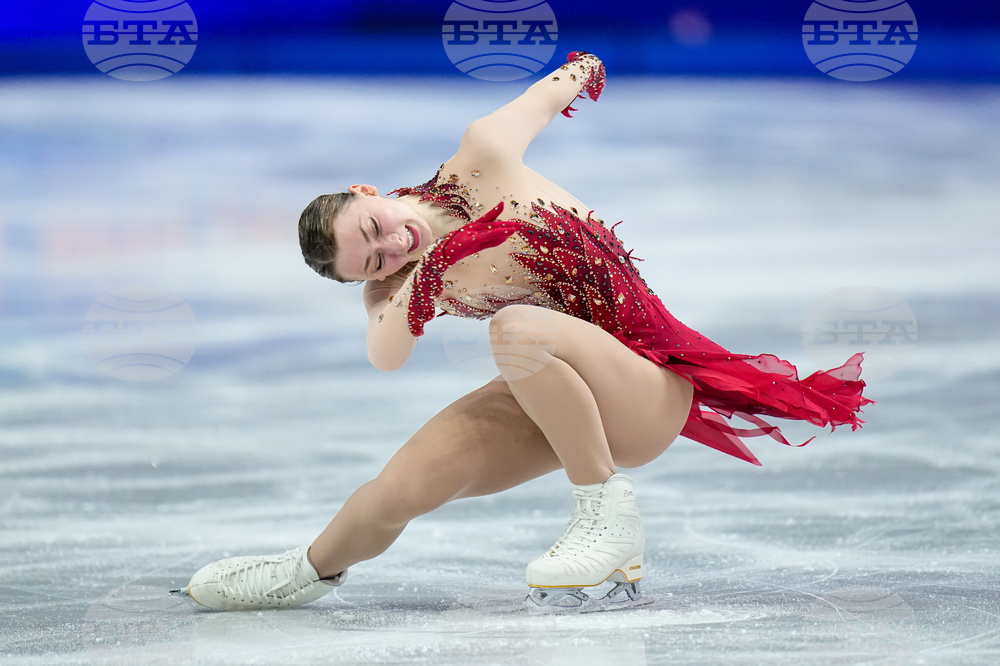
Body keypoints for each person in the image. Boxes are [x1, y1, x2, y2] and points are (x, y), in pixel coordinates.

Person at [180, 52, 872, 613]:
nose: (391, 246)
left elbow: (550, 92)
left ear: (367, 192)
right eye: (374, 261)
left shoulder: (481, 158)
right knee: (401, 487)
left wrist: (583, 71)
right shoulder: (399, 284)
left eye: (374, 230)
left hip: (646, 387)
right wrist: (411, 284)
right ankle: (303, 571)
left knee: (515, 328)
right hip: (552, 391)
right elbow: (386, 354)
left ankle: (605, 511)